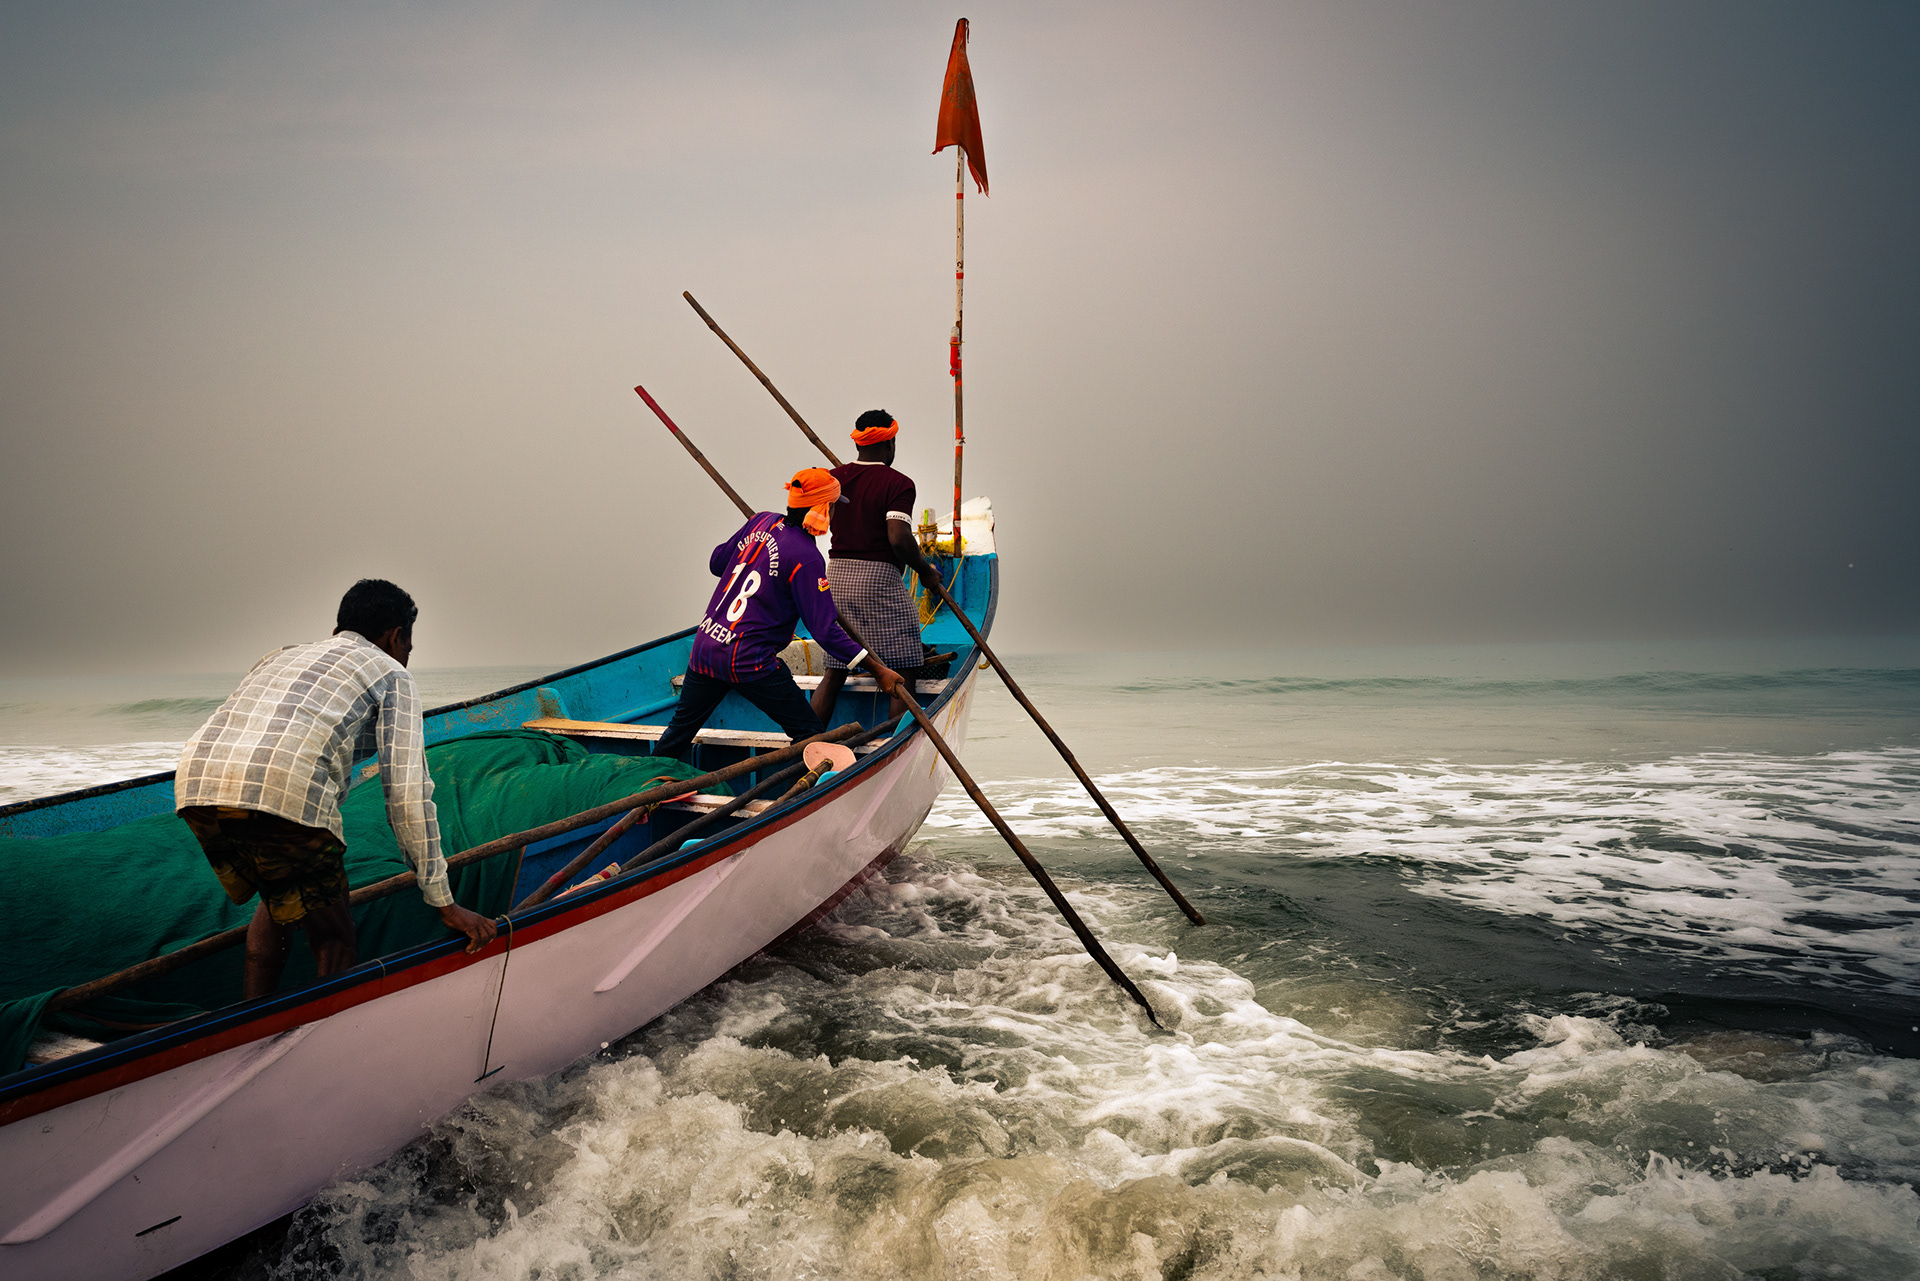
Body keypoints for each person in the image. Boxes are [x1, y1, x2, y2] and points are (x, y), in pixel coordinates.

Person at [175, 579, 497, 1001]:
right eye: (408, 648)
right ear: (396, 637)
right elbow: (407, 793)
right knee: (335, 938)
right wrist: (444, 903)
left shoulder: (282, 654)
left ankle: (251, 1018)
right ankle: (319, 1034)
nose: (406, 658)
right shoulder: (391, 673)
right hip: (281, 792)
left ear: (338, 630)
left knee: (280, 895)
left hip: (197, 784)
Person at [656, 469, 905, 761]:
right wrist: (878, 669)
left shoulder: (761, 520)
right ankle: (804, 796)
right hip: (748, 660)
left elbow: (716, 562)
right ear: (825, 510)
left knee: (678, 733)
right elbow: (825, 631)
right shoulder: (807, 558)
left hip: (707, 646)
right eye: (835, 506)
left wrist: (750, 546)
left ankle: (643, 787)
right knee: (809, 734)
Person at [810, 409, 943, 723]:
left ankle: (807, 740)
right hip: (877, 579)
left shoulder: (835, 478)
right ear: (890, 444)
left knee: (836, 669)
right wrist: (925, 570)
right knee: (903, 666)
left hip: (836, 578)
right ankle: (892, 745)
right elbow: (898, 538)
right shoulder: (898, 483)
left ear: (858, 444)